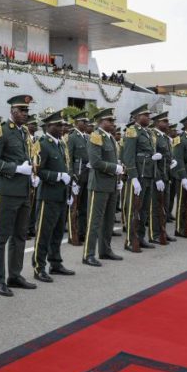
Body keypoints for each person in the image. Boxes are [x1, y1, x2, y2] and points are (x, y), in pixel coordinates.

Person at [0, 95, 38, 297]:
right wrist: (16, 169)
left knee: (20, 235)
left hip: (23, 191)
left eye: (27, 111)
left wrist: (30, 175)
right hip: (6, 191)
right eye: (21, 110)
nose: (25, 114)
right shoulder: (0, 131)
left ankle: (14, 275)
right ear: (12, 111)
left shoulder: (24, 132)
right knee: (1, 237)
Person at [31, 110, 76, 282]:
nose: (62, 127)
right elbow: (38, 170)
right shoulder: (42, 143)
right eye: (58, 125)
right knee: (44, 233)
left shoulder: (61, 144)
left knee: (57, 233)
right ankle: (38, 266)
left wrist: (70, 190)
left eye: (62, 124)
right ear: (48, 127)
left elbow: (66, 168)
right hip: (48, 196)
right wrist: (57, 177)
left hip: (61, 195)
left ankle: (55, 263)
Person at [82, 107, 124, 265]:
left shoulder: (111, 138)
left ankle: (105, 250)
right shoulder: (96, 136)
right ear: (100, 122)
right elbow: (95, 162)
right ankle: (88, 254)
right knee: (95, 221)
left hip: (111, 184)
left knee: (108, 221)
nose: (113, 123)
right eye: (110, 120)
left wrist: (118, 173)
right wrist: (115, 168)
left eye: (113, 120)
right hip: (99, 185)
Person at [121, 104, 158, 253]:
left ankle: (141, 237)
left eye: (149, 115)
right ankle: (131, 240)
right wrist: (133, 177)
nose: (149, 118)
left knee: (143, 209)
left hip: (148, 174)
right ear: (137, 117)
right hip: (138, 176)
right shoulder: (132, 132)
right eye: (146, 115)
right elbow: (128, 156)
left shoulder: (148, 132)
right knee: (134, 209)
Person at [148, 111, 176, 244]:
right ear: (157, 122)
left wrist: (172, 163)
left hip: (166, 175)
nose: (167, 124)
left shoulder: (164, 137)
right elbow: (152, 160)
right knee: (156, 206)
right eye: (164, 121)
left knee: (164, 205)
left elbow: (166, 156)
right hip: (156, 177)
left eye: (167, 121)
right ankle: (155, 234)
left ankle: (163, 230)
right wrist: (158, 177)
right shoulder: (153, 135)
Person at [67, 112, 90, 246]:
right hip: (77, 175)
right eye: (83, 122)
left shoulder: (87, 137)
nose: (86, 124)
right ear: (77, 123)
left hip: (87, 174)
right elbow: (69, 157)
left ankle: (82, 232)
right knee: (74, 206)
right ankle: (73, 234)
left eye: (86, 122)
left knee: (84, 207)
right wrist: (72, 176)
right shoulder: (72, 137)